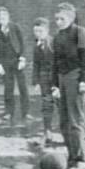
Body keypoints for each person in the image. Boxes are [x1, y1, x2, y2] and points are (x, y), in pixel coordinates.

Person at [51, 2, 85, 169]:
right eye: (57, 19)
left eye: (63, 18)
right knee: (64, 122)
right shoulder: (57, 36)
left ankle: (81, 160)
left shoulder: (80, 32)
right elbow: (54, 62)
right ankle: (72, 157)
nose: (59, 22)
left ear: (71, 18)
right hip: (62, 79)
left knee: (76, 121)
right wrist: (54, 85)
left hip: (75, 77)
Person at [0, 6, 29, 126]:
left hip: (17, 61)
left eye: (3, 16)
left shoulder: (15, 27)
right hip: (5, 63)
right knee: (8, 88)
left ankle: (26, 112)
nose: (1, 18)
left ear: (8, 17)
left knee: (23, 87)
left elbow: (23, 44)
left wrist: (22, 59)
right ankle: (9, 112)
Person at [31, 17, 57, 146]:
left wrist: (56, 82)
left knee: (60, 105)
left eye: (40, 31)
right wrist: (36, 81)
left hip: (55, 78)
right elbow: (36, 63)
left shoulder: (53, 43)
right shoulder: (37, 44)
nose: (37, 34)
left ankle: (68, 134)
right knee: (46, 106)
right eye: (35, 31)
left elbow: (57, 63)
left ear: (47, 30)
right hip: (43, 78)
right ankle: (47, 132)